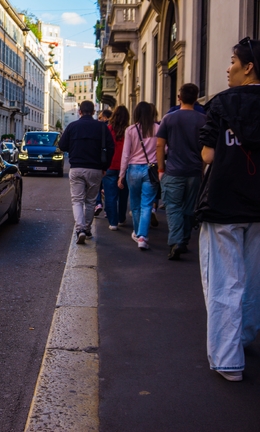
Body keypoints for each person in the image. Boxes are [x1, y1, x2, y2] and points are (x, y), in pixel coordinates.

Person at [196, 37, 260, 382]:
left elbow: (207, 155)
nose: (228, 67)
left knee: (224, 281)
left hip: (224, 202)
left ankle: (228, 359)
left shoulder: (222, 103)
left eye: (233, 61)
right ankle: (245, 335)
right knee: (253, 279)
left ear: (248, 67)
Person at [156, 83, 206, 260]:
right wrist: (202, 169)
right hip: (194, 171)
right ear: (196, 98)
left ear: (179, 97)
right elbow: (206, 149)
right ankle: (183, 240)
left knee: (173, 207)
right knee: (189, 208)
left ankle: (176, 241)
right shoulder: (203, 120)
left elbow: (160, 145)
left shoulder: (169, 119)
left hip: (174, 171)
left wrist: (161, 168)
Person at [59, 100, 115, 244]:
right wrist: (105, 167)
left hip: (76, 167)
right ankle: (87, 228)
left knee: (77, 200)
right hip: (95, 169)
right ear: (94, 112)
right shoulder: (102, 128)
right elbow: (111, 148)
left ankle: (80, 229)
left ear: (79, 112)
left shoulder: (72, 126)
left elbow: (62, 145)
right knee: (90, 201)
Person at [118, 101, 159, 250]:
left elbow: (126, 154)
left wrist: (121, 175)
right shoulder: (157, 128)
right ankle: (143, 236)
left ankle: (137, 232)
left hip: (133, 169)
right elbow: (165, 148)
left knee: (135, 204)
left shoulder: (130, 130)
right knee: (147, 204)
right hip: (151, 169)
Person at [102, 105, 130, 230]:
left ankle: (113, 222)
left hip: (110, 165)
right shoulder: (129, 131)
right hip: (126, 167)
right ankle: (121, 218)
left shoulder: (108, 130)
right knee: (123, 195)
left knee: (110, 195)